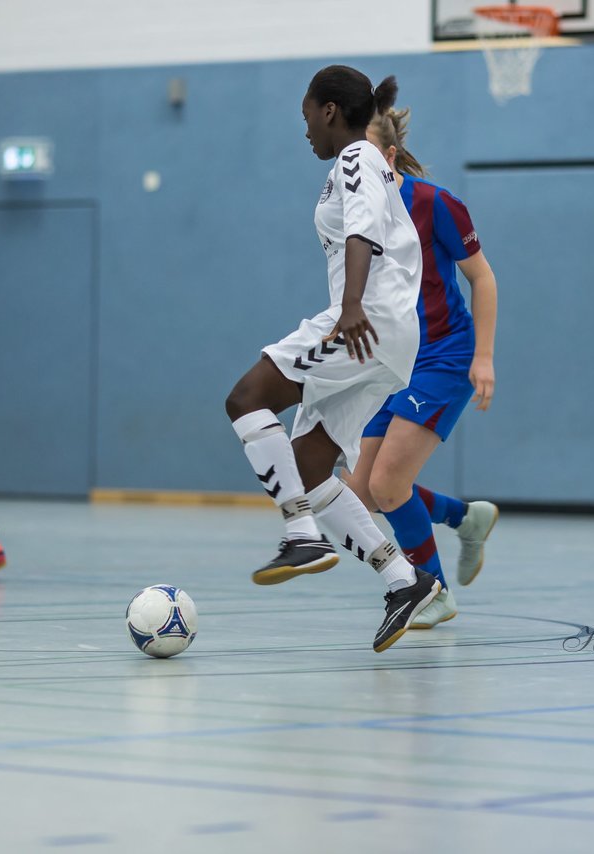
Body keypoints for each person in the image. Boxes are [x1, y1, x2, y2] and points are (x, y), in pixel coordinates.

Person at [224, 66, 440, 653]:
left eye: (305, 117)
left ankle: (302, 533)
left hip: (363, 321)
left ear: (328, 111)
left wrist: (348, 307)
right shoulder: (360, 163)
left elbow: (364, 230)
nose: (304, 132)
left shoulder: (354, 159)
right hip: (388, 337)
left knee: (246, 399)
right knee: (309, 465)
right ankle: (404, 579)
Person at [339, 105, 500, 629]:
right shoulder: (356, 212)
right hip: (393, 361)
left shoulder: (435, 205)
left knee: (388, 484)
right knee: (362, 493)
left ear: (389, 157)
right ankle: (465, 518)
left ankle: (433, 593)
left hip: (444, 355)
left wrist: (483, 356)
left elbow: (483, 279)